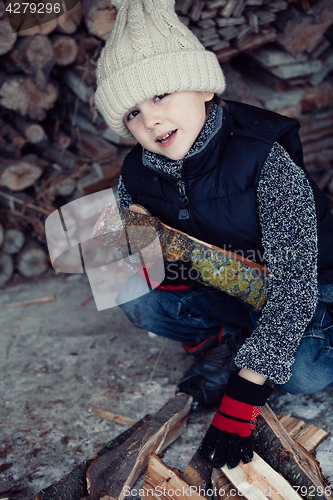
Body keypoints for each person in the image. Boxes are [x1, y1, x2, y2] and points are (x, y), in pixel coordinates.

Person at [94, 0, 333, 470]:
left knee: (305, 373)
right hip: (226, 282)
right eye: (133, 115)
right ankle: (222, 342)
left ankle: (261, 351)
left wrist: (244, 395)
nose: (151, 122)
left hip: (302, 288)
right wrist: (147, 261)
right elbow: (129, 256)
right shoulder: (136, 176)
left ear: (202, 87)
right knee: (129, 291)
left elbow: (295, 285)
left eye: (160, 96)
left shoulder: (264, 159)